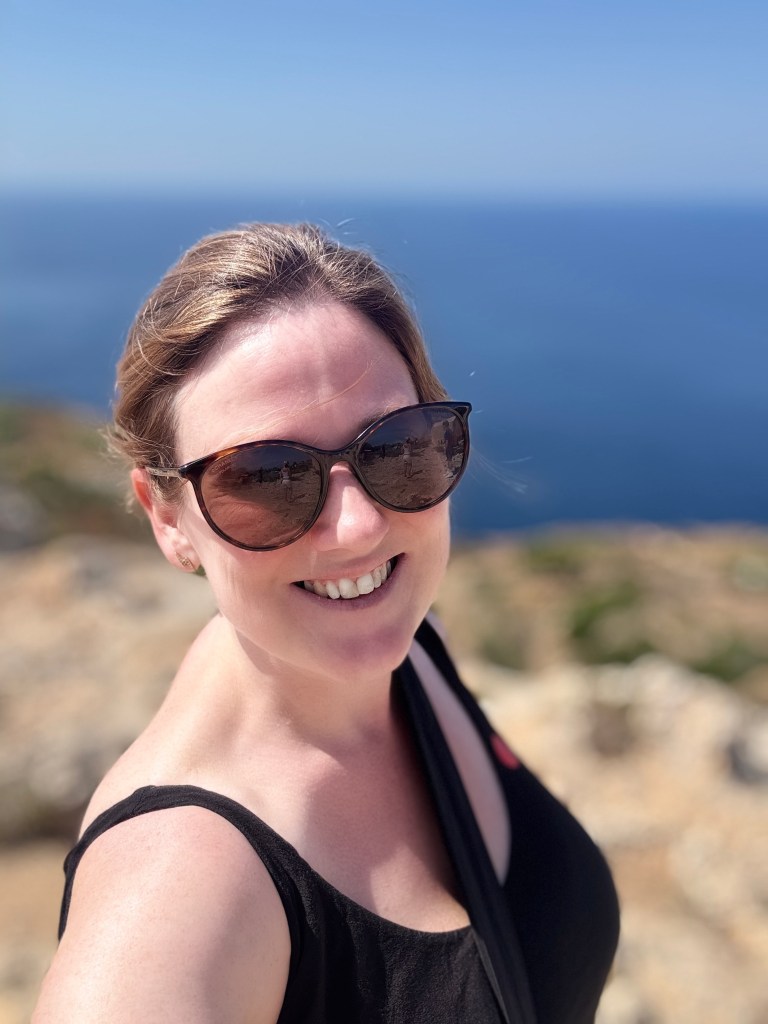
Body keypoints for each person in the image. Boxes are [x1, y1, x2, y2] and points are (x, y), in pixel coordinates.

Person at [33, 222, 619, 1023]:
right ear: (167, 519)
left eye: (400, 447)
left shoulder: (416, 652)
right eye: (267, 477)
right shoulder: (175, 891)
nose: (356, 529)